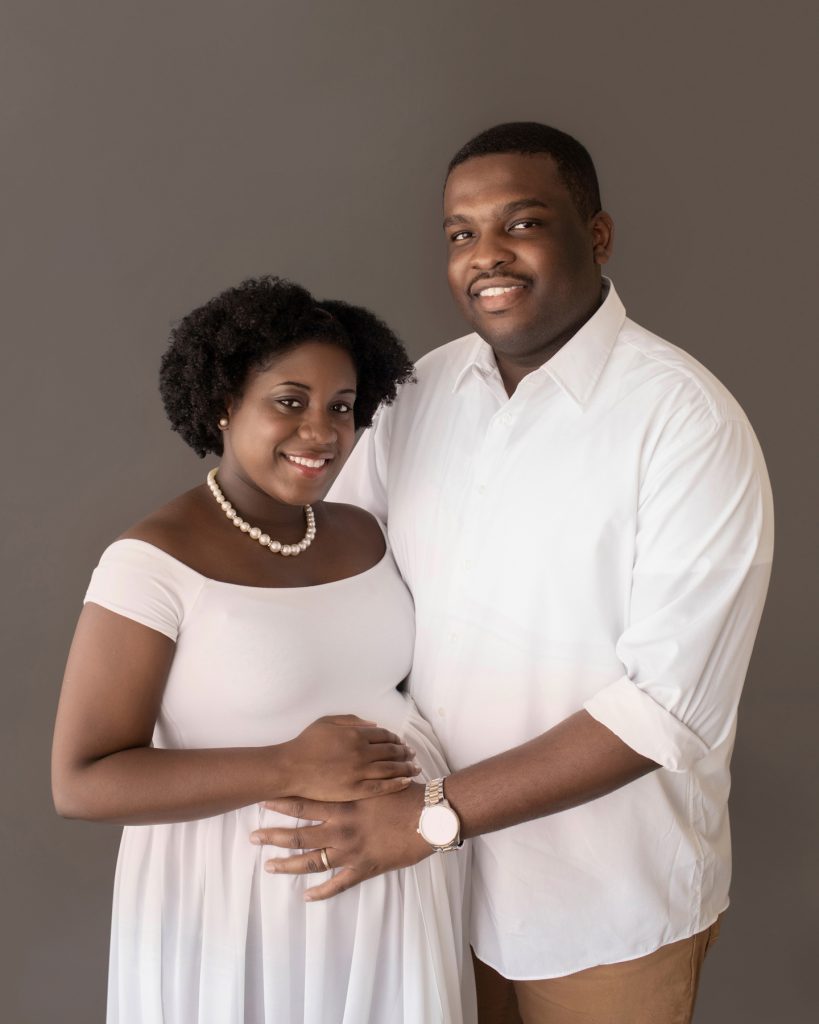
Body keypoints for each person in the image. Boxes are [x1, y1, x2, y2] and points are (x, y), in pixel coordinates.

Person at [251, 124, 775, 1024]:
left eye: (519, 223)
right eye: (460, 233)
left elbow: (666, 704)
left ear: (597, 236)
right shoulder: (412, 397)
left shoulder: (684, 423)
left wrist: (428, 815)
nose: (485, 256)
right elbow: (346, 584)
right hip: (430, 895)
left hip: (600, 905)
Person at [51, 277, 476, 1024]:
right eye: (289, 401)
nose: (321, 431)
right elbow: (81, 782)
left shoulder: (363, 534)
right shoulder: (151, 562)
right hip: (239, 908)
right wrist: (288, 765)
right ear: (222, 405)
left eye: (340, 407)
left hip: (393, 890)